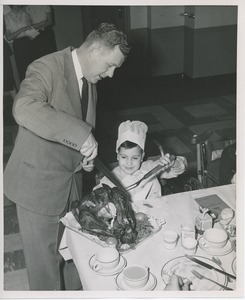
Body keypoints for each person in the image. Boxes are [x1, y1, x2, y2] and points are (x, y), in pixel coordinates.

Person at [3, 23, 130, 290]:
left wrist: (82, 157)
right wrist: (81, 134)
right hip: (37, 186)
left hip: (70, 184)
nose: (111, 74)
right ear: (95, 49)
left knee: (72, 254)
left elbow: (69, 132)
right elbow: (24, 108)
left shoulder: (89, 78)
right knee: (45, 271)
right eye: (109, 65)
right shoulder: (47, 67)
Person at [97, 120, 187, 201]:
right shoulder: (111, 177)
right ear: (118, 156)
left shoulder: (149, 169)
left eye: (135, 158)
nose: (129, 163)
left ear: (142, 157)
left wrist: (173, 163)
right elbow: (96, 195)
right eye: (124, 157)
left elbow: (179, 168)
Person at [4, 5, 33, 82]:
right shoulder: (7, 17)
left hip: (29, 43)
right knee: (22, 70)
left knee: (33, 68)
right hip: (18, 44)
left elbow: (31, 32)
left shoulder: (26, 14)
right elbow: (8, 37)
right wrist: (22, 29)